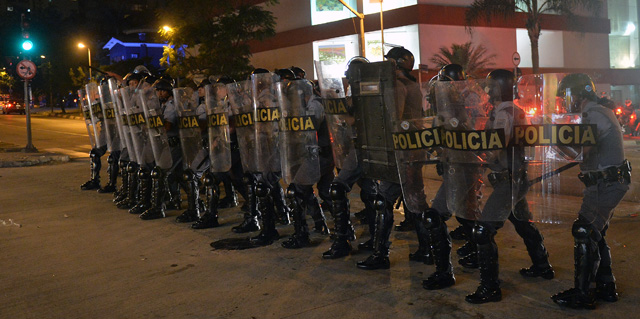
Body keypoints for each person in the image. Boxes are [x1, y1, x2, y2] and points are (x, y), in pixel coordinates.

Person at [464, 69, 554, 304]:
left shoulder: (506, 113)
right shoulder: (505, 111)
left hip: (509, 181)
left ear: (499, 88)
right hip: (513, 179)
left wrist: (471, 149)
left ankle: (490, 287)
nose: (487, 90)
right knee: (522, 222)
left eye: (491, 86)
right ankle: (542, 265)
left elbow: (495, 148)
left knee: (483, 231)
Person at [551, 73, 630, 309]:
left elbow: (581, 152)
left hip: (605, 184)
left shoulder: (592, 114)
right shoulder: (597, 111)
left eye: (568, 96)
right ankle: (606, 286)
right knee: (596, 232)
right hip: (607, 182)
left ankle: (583, 294)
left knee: (584, 230)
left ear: (579, 94)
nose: (566, 101)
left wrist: (553, 137)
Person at [356, 47, 431, 270]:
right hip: (413, 149)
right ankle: (428, 248)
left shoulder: (397, 85)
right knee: (415, 200)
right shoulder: (411, 83)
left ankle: (381, 254)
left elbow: (392, 120)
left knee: (384, 201)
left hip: (400, 151)